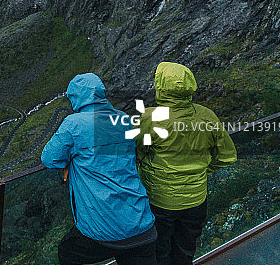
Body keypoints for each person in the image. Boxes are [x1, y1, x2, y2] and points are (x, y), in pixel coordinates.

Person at [42, 73, 158, 265]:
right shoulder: (122, 119)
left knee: (68, 251)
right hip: (141, 222)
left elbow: (49, 158)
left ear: (76, 98)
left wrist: (69, 163)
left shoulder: (74, 124)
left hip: (105, 229)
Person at [135, 62, 237, 265]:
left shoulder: (149, 119)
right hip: (196, 199)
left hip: (159, 201)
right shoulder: (207, 117)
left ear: (161, 87)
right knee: (185, 250)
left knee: (159, 250)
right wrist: (203, 170)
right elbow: (227, 156)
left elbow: (138, 152)